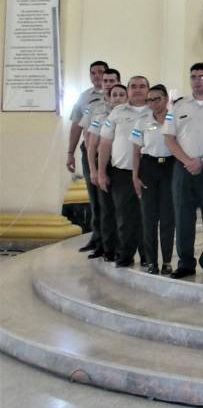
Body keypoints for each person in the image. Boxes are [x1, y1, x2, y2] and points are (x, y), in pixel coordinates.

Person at [163, 62, 203, 280]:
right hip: (183, 168)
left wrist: (202, 159)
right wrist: (189, 161)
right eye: (193, 76)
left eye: (202, 76)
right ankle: (185, 263)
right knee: (183, 217)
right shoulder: (178, 106)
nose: (197, 80)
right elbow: (169, 138)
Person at [97, 76, 150, 267]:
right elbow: (105, 143)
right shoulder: (117, 113)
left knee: (147, 218)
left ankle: (148, 257)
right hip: (122, 173)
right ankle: (124, 256)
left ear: (148, 89)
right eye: (133, 86)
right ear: (128, 90)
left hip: (149, 174)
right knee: (124, 218)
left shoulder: (157, 111)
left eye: (142, 86)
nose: (137, 90)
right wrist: (102, 172)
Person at [130, 84, 175, 275]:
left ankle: (166, 261)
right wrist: (135, 176)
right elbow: (135, 150)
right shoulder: (142, 120)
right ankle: (151, 261)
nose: (153, 103)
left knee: (167, 217)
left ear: (166, 99)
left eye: (157, 99)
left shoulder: (175, 118)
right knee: (148, 218)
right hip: (148, 167)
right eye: (150, 100)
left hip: (170, 168)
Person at [67, 59, 108, 253]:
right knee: (94, 197)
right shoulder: (84, 98)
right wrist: (70, 153)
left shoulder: (119, 93)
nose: (97, 76)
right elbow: (76, 125)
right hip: (89, 151)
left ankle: (111, 239)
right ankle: (96, 237)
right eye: (93, 73)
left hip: (111, 153)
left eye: (100, 72)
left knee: (109, 198)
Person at [79, 67, 120, 259]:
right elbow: (88, 138)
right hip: (96, 159)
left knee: (117, 207)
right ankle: (102, 243)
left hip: (120, 162)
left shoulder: (126, 106)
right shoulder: (94, 108)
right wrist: (93, 166)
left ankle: (118, 245)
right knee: (100, 205)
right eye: (106, 81)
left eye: (113, 81)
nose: (109, 84)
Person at [85, 78, 126, 261]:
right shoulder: (100, 118)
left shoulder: (132, 116)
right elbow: (92, 146)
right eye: (114, 95)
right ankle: (107, 248)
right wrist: (94, 171)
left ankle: (122, 248)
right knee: (106, 210)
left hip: (123, 167)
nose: (117, 98)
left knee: (122, 210)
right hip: (105, 166)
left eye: (121, 95)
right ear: (108, 99)